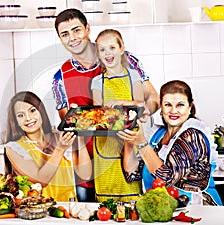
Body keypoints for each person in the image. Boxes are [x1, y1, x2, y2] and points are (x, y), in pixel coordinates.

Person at [52, 8, 159, 202]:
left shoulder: (124, 59)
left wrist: (143, 111)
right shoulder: (60, 77)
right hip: (88, 172)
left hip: (131, 164)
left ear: (87, 29)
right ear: (60, 39)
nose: (72, 38)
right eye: (65, 34)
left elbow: (153, 98)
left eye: (76, 30)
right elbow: (69, 125)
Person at [121, 80, 222, 206]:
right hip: (164, 210)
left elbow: (167, 179)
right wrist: (128, 135)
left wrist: (141, 143)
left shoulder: (194, 136)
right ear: (161, 108)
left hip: (197, 211)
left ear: (190, 107)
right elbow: (132, 175)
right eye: (168, 104)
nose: (173, 111)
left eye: (180, 105)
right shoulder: (157, 135)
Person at [4, 91, 92, 202]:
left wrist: (79, 134)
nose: (28, 118)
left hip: (68, 209)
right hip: (38, 212)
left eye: (32, 110)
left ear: (41, 111)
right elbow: (41, 180)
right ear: (16, 121)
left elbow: (85, 174)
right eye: (21, 115)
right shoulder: (14, 148)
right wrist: (60, 149)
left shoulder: (60, 137)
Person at [89, 28, 145, 202]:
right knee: (107, 202)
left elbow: (141, 104)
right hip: (105, 142)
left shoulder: (133, 75)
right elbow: (97, 115)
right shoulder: (97, 81)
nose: (108, 53)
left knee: (131, 199)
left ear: (121, 49)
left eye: (112, 47)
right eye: (102, 50)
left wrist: (122, 102)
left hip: (128, 139)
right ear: (98, 54)